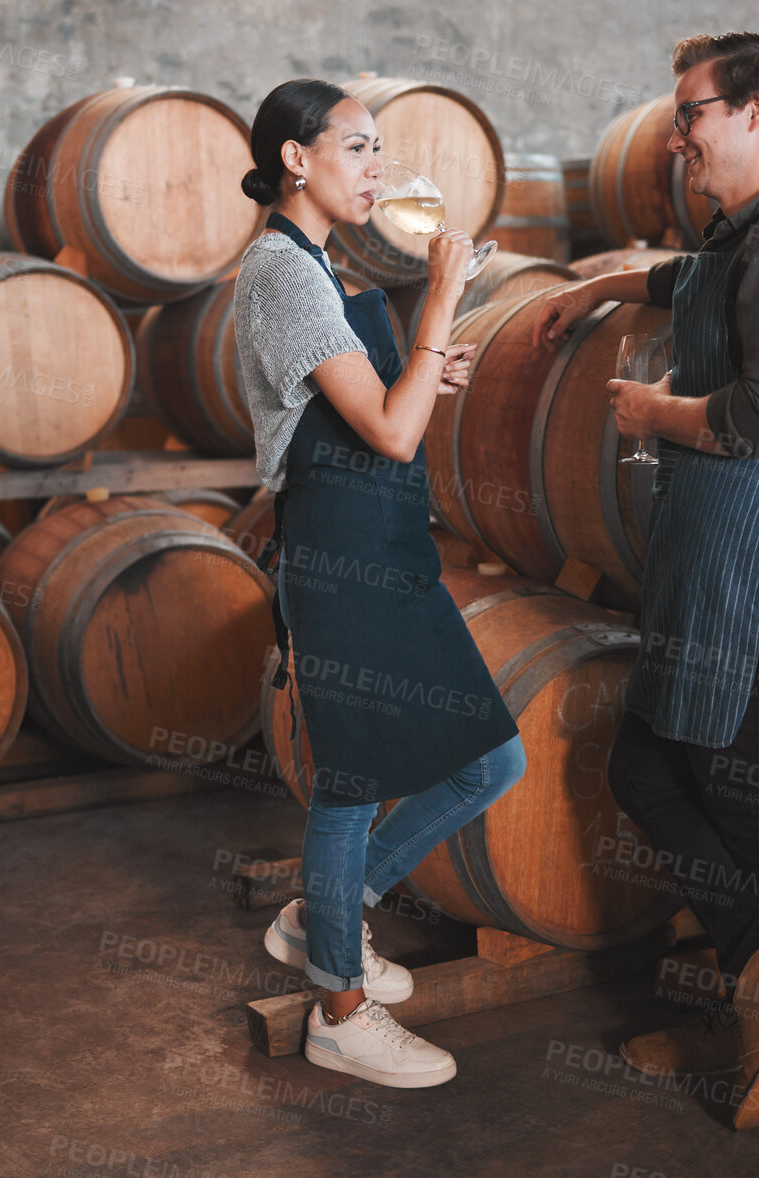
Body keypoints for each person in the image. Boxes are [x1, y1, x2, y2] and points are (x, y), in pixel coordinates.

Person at [533, 33, 759, 1128]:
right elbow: (695, 280)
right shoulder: (745, 234)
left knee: (734, 785)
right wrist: (602, 283)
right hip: (714, 558)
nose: (676, 130)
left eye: (691, 110)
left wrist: (652, 414)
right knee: (647, 769)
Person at [233, 78, 528, 1089]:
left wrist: (424, 362)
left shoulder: (311, 264)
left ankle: (323, 915)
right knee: (352, 779)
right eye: (357, 148)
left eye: (376, 150)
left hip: (378, 541)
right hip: (338, 544)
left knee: (486, 758)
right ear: (295, 160)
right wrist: (441, 297)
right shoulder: (282, 270)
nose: (374, 169)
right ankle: (338, 1010)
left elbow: (378, 403)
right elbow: (391, 433)